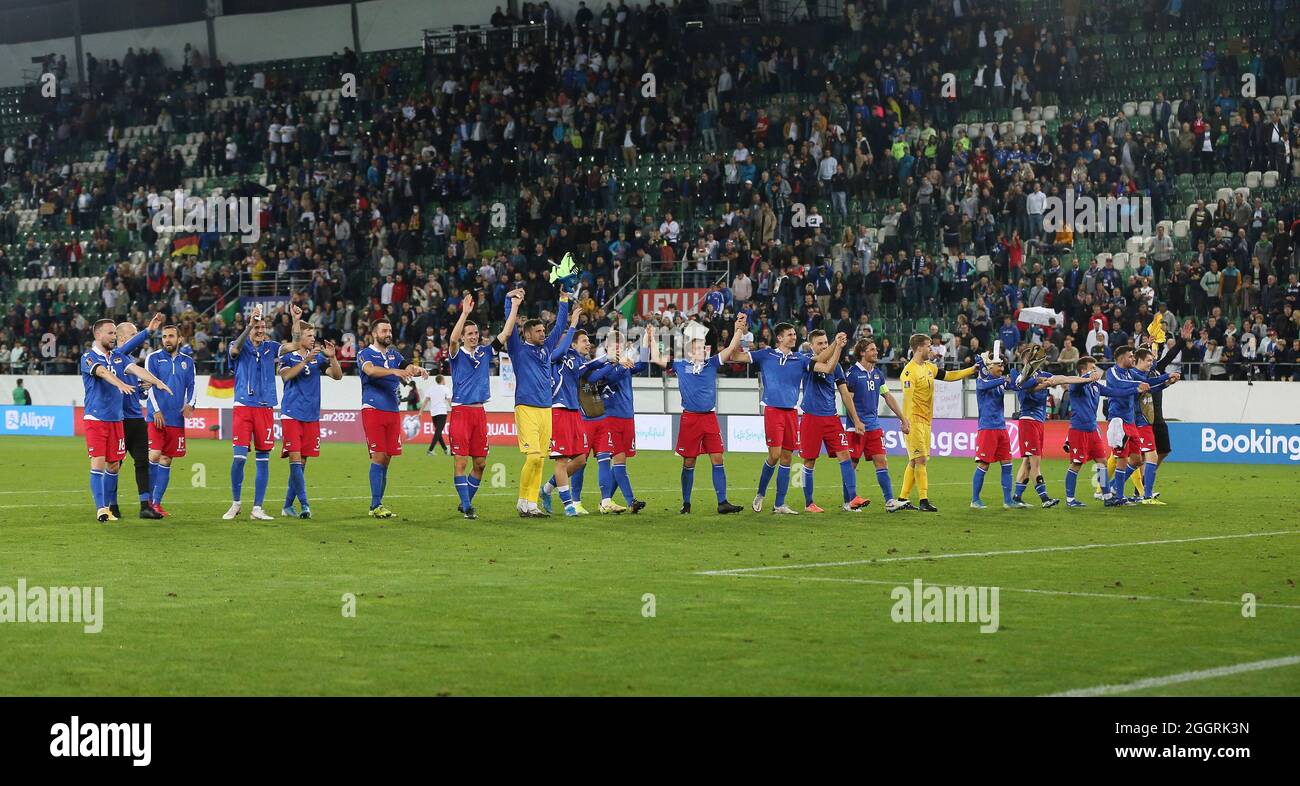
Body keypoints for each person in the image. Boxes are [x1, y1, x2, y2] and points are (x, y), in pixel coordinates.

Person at [647, 315, 747, 515]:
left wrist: (738, 329)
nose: (704, 349)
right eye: (699, 347)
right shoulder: (680, 365)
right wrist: (651, 337)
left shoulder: (711, 364)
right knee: (689, 461)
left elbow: (729, 350)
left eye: (704, 346)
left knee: (718, 458)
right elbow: (657, 359)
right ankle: (686, 503)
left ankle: (722, 502)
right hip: (690, 418)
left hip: (709, 418)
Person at [80, 316, 169, 522]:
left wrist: (156, 382)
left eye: (114, 333)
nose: (113, 337)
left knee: (114, 465)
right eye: (110, 333)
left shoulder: (118, 357)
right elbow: (101, 372)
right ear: (98, 334)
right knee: (99, 463)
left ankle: (117, 507)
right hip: (96, 419)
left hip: (117, 420)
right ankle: (102, 509)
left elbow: (136, 369)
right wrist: (120, 383)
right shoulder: (89, 357)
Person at [223, 304, 301, 522]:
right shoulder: (238, 344)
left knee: (263, 459)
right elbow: (234, 351)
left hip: (265, 407)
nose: (260, 330)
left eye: (262, 327)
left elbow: (295, 344)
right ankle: (236, 502)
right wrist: (248, 327)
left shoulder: (272, 347)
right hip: (243, 406)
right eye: (256, 327)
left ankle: (257, 508)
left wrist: (295, 320)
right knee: (239, 458)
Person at [449, 291, 522, 520]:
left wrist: (515, 306)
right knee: (460, 462)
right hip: (461, 412)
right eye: (469, 334)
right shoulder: (456, 354)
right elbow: (452, 340)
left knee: (480, 464)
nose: (473, 336)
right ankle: (467, 507)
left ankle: (466, 503)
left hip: (479, 413)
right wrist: (465, 314)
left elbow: (506, 333)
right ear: (463, 336)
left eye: (475, 333)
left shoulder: (484, 351)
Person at [728, 322, 813, 514]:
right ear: (780, 338)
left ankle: (779, 504)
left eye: (794, 334)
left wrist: (835, 347)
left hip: (791, 411)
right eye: (790, 334)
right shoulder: (766, 354)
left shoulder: (800, 358)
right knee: (774, 455)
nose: (794, 337)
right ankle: (760, 493)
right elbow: (734, 356)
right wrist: (738, 332)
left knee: (787, 458)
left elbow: (820, 362)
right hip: (773, 410)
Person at [506, 284, 574, 517]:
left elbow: (560, 326)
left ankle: (531, 504)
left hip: (546, 408)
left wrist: (563, 300)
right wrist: (510, 302)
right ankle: (522, 500)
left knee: (541, 459)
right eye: (538, 331)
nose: (543, 334)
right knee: (533, 456)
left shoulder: (545, 349)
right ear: (527, 334)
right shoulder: (517, 348)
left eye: (544, 331)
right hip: (526, 406)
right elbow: (509, 326)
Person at [897, 333, 978, 512]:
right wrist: (905, 421)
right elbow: (907, 399)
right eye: (928, 346)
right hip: (914, 420)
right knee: (921, 459)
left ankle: (902, 499)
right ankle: (923, 500)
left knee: (914, 461)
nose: (931, 349)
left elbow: (949, 376)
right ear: (919, 348)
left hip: (926, 420)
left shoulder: (929, 367)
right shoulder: (909, 372)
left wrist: (971, 370)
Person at [357, 318, 429, 518]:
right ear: (374, 334)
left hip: (392, 410)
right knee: (378, 456)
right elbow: (370, 370)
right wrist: (395, 371)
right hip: (373, 409)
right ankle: (375, 505)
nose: (388, 334)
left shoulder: (393, 354)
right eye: (384, 331)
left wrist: (418, 369)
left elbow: (407, 366)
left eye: (390, 330)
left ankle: (378, 503)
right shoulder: (365, 354)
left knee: (387, 458)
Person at [1010, 353, 1101, 507]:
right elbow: (1024, 386)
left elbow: (1063, 378)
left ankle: (1017, 498)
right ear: (1025, 360)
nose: (1036, 361)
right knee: (1035, 462)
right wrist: (1042, 382)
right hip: (1028, 421)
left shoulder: (1043, 374)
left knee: (1028, 462)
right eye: (1032, 358)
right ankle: (1045, 499)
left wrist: (1084, 379)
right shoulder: (1018, 376)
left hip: (1039, 422)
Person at [795, 330, 870, 513]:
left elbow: (845, 394)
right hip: (811, 417)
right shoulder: (806, 360)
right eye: (819, 343)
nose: (823, 345)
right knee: (809, 461)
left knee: (845, 455)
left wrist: (856, 420)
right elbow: (824, 365)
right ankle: (809, 503)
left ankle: (852, 499)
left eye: (825, 342)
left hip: (831, 418)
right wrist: (836, 346)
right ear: (811, 346)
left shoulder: (837, 366)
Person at [579, 328, 648, 514]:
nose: (617, 347)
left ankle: (605, 501)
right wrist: (619, 364)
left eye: (620, 344)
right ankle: (630, 500)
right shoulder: (602, 368)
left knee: (621, 461)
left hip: (628, 417)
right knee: (618, 459)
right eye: (613, 344)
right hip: (610, 418)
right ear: (606, 346)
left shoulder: (625, 363)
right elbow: (609, 378)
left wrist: (647, 341)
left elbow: (643, 365)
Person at [277, 325, 342, 519]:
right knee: (295, 460)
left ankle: (288, 506)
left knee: (302, 463)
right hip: (292, 414)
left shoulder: (319, 359)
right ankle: (305, 505)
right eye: (309, 335)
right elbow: (286, 376)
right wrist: (306, 359)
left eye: (314, 335)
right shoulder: (287, 357)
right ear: (299, 337)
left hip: (311, 416)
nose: (313, 338)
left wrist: (332, 356)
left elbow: (337, 376)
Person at [1102, 346, 1177, 506]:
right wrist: (1138, 385)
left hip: (1131, 423)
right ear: (1122, 358)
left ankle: (1112, 488)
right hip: (1118, 421)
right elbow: (1120, 384)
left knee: (1136, 460)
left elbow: (1147, 382)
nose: (1132, 359)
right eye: (1130, 357)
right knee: (1119, 459)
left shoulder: (1131, 373)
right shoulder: (1113, 372)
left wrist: (1166, 381)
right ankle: (1116, 494)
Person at [113, 315, 170, 519]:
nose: (136, 338)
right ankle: (112, 505)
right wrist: (148, 330)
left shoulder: (129, 361)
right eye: (132, 335)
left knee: (142, 463)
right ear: (120, 338)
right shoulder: (116, 355)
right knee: (114, 464)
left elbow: (136, 393)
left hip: (136, 418)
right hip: (119, 420)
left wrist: (142, 389)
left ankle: (145, 506)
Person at [844, 339, 911, 512]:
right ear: (862, 353)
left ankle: (890, 502)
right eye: (872, 349)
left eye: (876, 349)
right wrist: (857, 421)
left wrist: (903, 418)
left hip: (873, 425)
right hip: (855, 427)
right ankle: (849, 502)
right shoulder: (852, 374)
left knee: (881, 461)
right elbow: (847, 400)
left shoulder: (878, 374)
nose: (876, 352)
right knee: (851, 464)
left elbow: (887, 397)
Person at [537, 301, 587, 516]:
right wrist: (573, 325)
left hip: (574, 410)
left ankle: (547, 489)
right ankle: (568, 504)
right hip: (557, 410)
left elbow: (588, 372)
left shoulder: (573, 358)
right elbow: (564, 346)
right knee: (561, 459)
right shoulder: (550, 356)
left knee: (581, 459)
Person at [144, 324, 197, 517]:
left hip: (176, 418)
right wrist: (156, 410)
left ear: (179, 339)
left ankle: (157, 503)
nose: (167, 339)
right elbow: (148, 385)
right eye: (164, 336)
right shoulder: (153, 358)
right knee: (155, 455)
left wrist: (191, 404)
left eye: (171, 336)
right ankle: (146, 502)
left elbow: (192, 385)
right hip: (156, 417)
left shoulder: (188, 361)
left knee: (167, 459)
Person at [969, 351, 1025, 509]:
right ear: (990, 366)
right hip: (987, 428)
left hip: (1001, 427)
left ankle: (1008, 501)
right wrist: (1003, 379)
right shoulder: (982, 381)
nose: (1002, 368)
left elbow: (1014, 385)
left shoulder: (1000, 382)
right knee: (984, 465)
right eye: (999, 365)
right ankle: (975, 500)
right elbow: (986, 384)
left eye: (1002, 365)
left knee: (1007, 463)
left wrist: (1017, 376)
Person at [422, 374, 452, 455]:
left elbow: (426, 400)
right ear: (442, 380)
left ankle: (445, 449)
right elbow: (449, 401)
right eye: (444, 379)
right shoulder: (446, 389)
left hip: (434, 413)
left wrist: (420, 411)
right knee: (438, 432)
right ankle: (430, 450)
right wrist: (454, 410)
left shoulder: (431, 389)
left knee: (438, 432)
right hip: (442, 412)